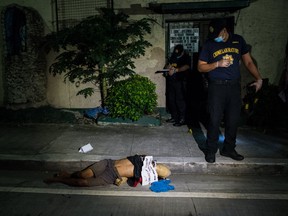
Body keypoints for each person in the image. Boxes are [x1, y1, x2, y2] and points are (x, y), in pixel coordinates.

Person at [197, 18, 263, 163]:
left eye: (218, 35)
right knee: (214, 120)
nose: (216, 38)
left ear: (225, 30)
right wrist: (217, 64)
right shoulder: (209, 44)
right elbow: (200, 67)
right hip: (216, 87)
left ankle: (228, 149)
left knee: (233, 120)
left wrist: (259, 78)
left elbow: (249, 61)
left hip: (234, 87)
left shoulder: (238, 41)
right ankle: (211, 150)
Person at [44, 155, 171, 187]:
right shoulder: (142, 159)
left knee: (82, 183)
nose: (156, 169)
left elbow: (167, 173)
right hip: (108, 164)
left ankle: (60, 179)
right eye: (157, 167)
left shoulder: (143, 176)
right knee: (82, 174)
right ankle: (68, 174)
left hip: (110, 176)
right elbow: (165, 170)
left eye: (157, 171)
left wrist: (123, 179)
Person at [166, 44, 191, 126]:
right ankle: (174, 117)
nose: (176, 53)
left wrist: (176, 70)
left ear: (182, 51)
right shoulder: (173, 56)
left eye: (178, 52)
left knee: (180, 101)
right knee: (171, 100)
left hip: (180, 81)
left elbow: (187, 66)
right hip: (171, 81)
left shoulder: (186, 57)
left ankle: (182, 119)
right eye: (175, 51)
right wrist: (168, 67)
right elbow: (167, 64)